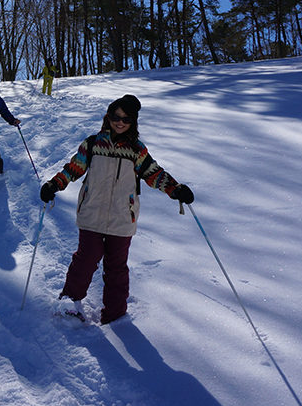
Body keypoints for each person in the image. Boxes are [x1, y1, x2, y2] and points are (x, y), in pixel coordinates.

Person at [39, 94, 194, 324]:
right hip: (91, 212)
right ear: (108, 116)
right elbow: (74, 168)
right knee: (86, 259)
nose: (120, 122)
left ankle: (115, 315)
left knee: (116, 267)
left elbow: (154, 174)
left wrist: (176, 189)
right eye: (115, 116)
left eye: (126, 119)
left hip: (123, 216)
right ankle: (71, 302)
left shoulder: (137, 150)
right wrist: (54, 184)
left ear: (133, 122)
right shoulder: (92, 144)